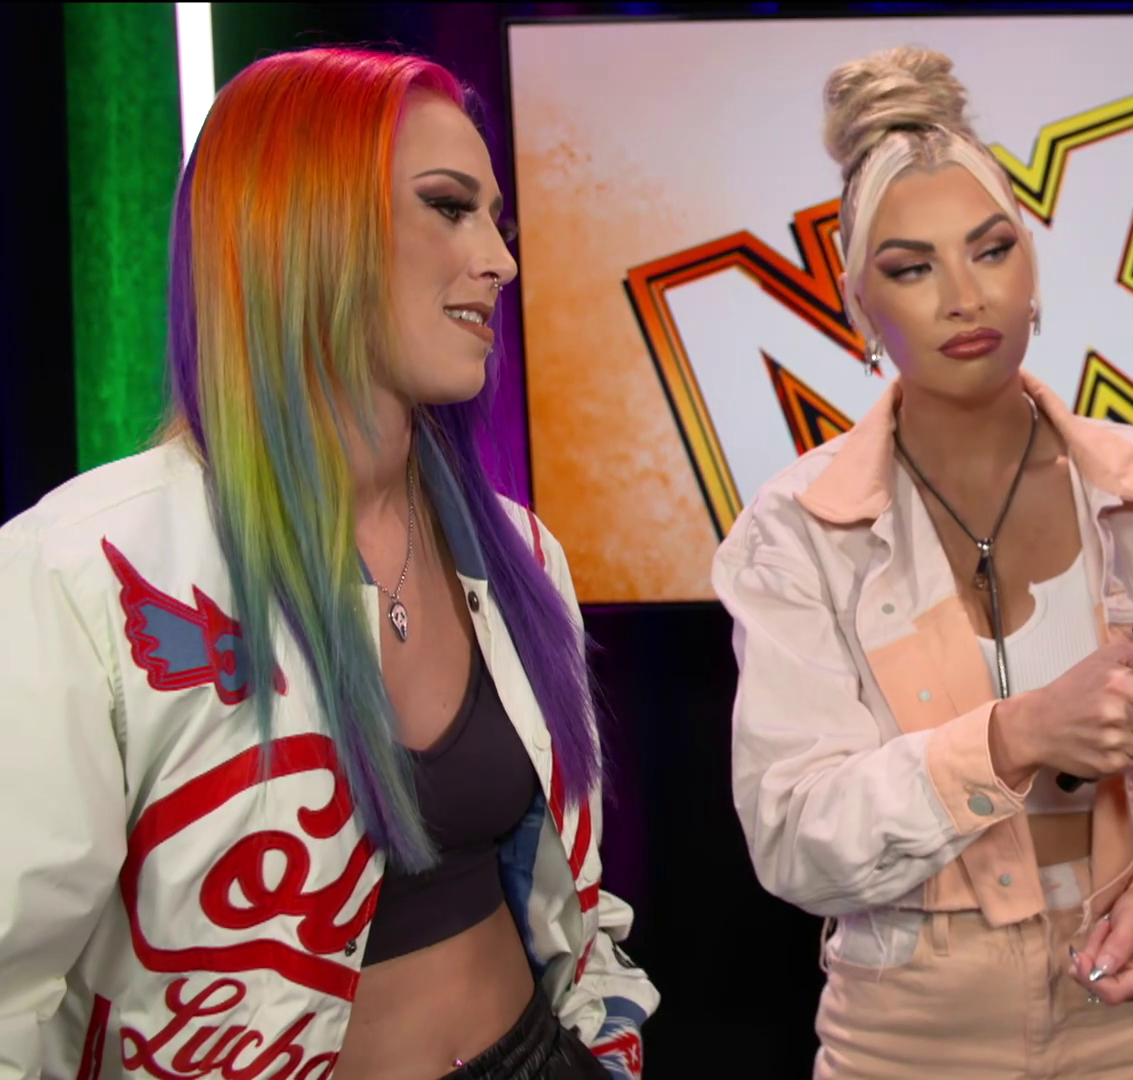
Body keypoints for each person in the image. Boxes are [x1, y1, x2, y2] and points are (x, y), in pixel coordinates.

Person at [0, 47, 657, 1080]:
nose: (499, 260)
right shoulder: (84, 570)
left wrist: (604, 1046)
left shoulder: (521, 553)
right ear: (298, 226)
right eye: (449, 207)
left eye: (497, 220)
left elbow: (570, 900)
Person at [711, 44, 1133, 1079]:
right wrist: (1017, 735)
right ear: (859, 305)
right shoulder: (796, 531)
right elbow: (794, 834)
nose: (965, 295)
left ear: (1032, 269)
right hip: (907, 1036)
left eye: (991, 250)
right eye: (912, 268)